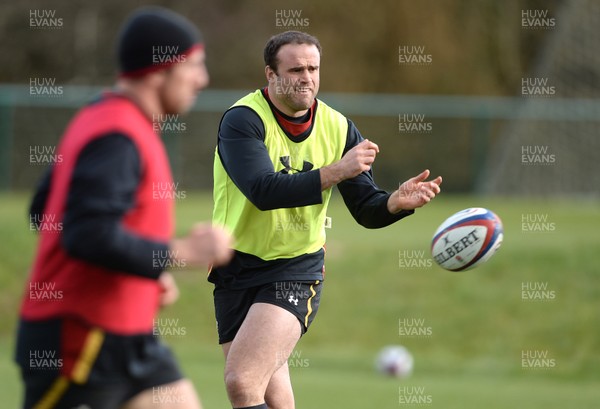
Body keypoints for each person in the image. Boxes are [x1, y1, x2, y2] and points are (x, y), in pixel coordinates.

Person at [211, 31, 443, 409]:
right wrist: (335, 171)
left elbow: (367, 209)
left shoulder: (338, 127)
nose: (307, 77)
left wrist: (396, 204)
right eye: (296, 69)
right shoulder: (242, 121)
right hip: (234, 267)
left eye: (314, 68)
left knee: (242, 381)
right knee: (272, 394)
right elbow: (262, 190)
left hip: (295, 268)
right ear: (270, 74)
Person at [16, 7, 232, 409]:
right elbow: (86, 232)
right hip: (82, 341)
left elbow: (44, 210)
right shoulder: (118, 135)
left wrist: (145, 272)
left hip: (128, 337)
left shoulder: (105, 117)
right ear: (159, 71)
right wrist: (179, 253)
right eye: (194, 66)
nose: (202, 79)